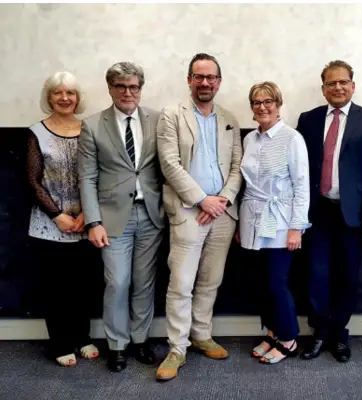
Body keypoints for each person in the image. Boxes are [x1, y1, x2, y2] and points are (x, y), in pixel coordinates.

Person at [155, 53, 243, 381]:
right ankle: (177, 347)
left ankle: (201, 334)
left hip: (223, 212)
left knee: (211, 279)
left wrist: (222, 200)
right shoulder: (171, 115)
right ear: (189, 80)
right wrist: (202, 200)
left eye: (211, 77)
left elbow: (237, 166)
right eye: (198, 76)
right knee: (181, 282)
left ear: (219, 81)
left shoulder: (230, 118)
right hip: (189, 211)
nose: (205, 82)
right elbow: (169, 163)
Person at [297, 60, 362, 362]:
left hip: (353, 214)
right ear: (323, 88)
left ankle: (339, 334)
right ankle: (319, 332)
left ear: (353, 85)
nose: (337, 87)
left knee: (347, 276)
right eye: (331, 83)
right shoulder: (308, 120)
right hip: (317, 211)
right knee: (316, 274)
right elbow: (298, 169)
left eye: (343, 82)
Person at [78, 62, 165, 372]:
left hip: (151, 215)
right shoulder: (92, 125)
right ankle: (117, 345)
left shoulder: (158, 119)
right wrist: (93, 221)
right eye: (121, 86)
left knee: (144, 283)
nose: (128, 92)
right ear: (111, 89)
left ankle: (140, 340)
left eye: (134, 87)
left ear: (140, 88)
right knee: (117, 282)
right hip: (112, 219)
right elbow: (87, 177)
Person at [27, 71, 99, 367]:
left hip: (85, 223)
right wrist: (57, 216)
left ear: (78, 98)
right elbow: (32, 180)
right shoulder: (37, 132)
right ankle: (60, 342)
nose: (65, 98)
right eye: (58, 92)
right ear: (49, 98)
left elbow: (98, 175)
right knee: (54, 288)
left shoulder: (89, 129)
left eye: (70, 92)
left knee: (82, 285)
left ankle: (82, 337)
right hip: (49, 224)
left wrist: (87, 214)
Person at [238, 82, 310, 364]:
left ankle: (289, 338)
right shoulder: (249, 140)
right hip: (252, 220)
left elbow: (301, 185)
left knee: (276, 283)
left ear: (278, 104)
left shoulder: (292, 138)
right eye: (256, 102)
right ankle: (273, 332)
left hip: (280, 221)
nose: (262, 106)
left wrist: (296, 227)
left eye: (268, 101)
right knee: (259, 283)